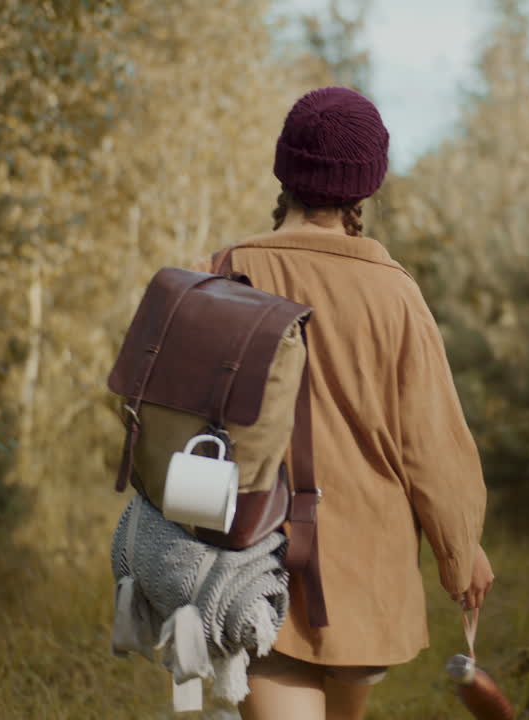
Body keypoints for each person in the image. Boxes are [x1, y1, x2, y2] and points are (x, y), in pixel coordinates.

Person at [202, 87, 494, 720]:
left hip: (255, 563)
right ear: (367, 186)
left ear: (285, 169)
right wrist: (459, 551)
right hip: (369, 575)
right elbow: (431, 445)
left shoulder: (222, 274)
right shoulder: (395, 294)